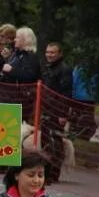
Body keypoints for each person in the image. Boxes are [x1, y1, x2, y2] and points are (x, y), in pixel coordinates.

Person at [39, 41, 74, 182]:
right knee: (45, 140)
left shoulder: (64, 70)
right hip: (47, 108)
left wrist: (63, 114)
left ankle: (54, 172)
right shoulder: (48, 68)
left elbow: (66, 94)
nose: (49, 55)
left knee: (56, 141)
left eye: (52, 52)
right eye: (47, 52)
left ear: (60, 54)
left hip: (57, 110)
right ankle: (46, 170)